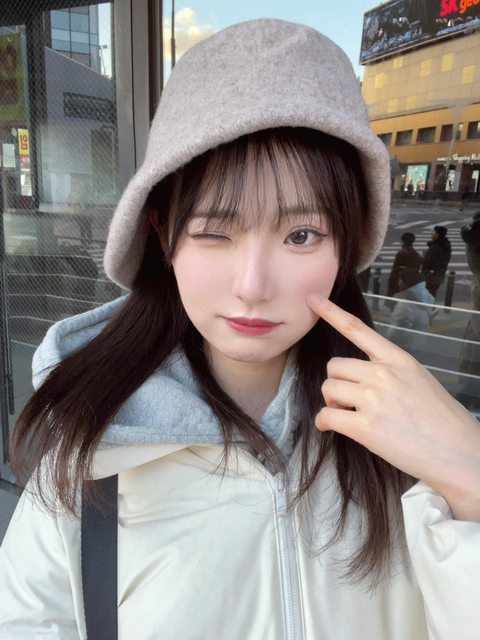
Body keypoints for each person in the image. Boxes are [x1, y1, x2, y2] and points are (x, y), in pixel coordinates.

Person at [1, 19, 480, 640]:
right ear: (163, 233)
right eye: (214, 232)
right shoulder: (90, 445)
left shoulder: (411, 441)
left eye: (300, 235)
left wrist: (469, 474)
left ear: (347, 241)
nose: (252, 285)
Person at [386, 267, 435, 353]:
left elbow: (399, 329)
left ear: (406, 283)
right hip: (419, 343)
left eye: (400, 280)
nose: (398, 282)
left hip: (404, 346)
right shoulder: (427, 297)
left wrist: (386, 341)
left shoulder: (405, 304)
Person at [386, 232, 423, 304]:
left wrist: (392, 283)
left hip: (400, 282)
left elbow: (395, 270)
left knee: (394, 303)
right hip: (411, 282)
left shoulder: (401, 253)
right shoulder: (416, 254)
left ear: (403, 241)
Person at [422, 224, 452, 298]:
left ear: (437, 234)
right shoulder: (445, 245)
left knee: (428, 296)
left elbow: (428, 262)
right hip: (438, 275)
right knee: (431, 295)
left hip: (432, 276)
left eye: (434, 232)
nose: (432, 233)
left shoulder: (436, 248)